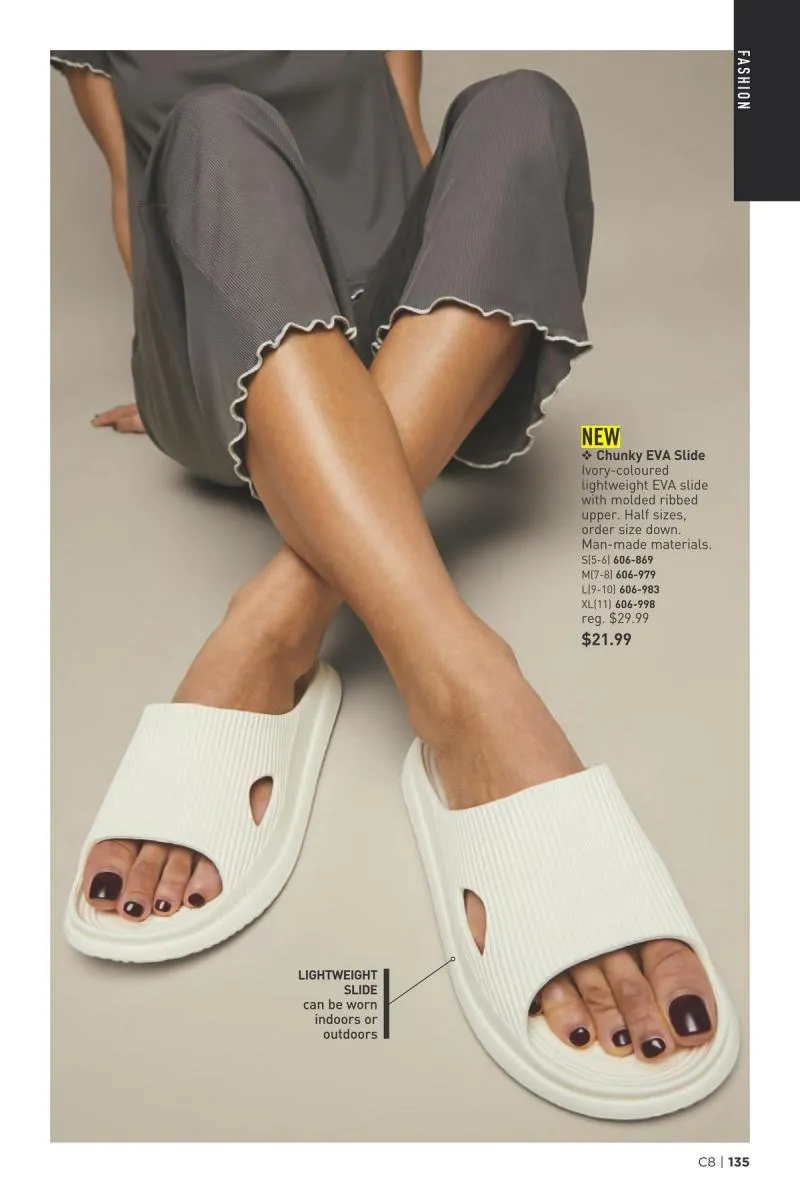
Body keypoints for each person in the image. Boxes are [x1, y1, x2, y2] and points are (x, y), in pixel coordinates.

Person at [53, 50, 717, 1065]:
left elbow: (409, 150)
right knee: (211, 125)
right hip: (223, 346)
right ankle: (468, 683)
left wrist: (426, 330)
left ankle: (272, 623)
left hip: (394, 340)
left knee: (523, 108)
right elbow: (127, 189)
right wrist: (178, 358)